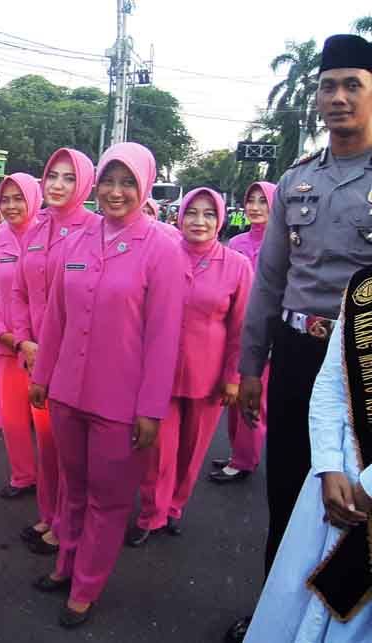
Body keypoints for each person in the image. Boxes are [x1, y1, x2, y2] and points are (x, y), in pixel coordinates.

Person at [227, 34, 372, 643]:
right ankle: (276, 617)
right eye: (327, 86)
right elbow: (269, 281)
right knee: (287, 497)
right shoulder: (296, 181)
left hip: (363, 363)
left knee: (355, 503)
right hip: (296, 354)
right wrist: (250, 367)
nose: (337, 98)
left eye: (352, 86)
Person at [29, 142, 186, 628]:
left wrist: (151, 409)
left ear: (144, 186)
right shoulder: (78, 238)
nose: (116, 192)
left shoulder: (161, 246)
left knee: (107, 497)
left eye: (128, 182)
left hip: (121, 403)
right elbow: (56, 314)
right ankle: (65, 564)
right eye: (109, 180)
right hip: (67, 393)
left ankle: (87, 586)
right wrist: (42, 376)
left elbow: (164, 337)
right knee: (72, 488)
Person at [245, 270, 372, 641]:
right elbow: (333, 379)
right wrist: (328, 464)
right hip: (335, 484)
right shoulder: (363, 289)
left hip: (362, 490)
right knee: (295, 608)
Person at [129, 188, 253, 546]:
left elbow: (241, 327)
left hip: (209, 375)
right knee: (156, 450)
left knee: (193, 448)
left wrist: (233, 377)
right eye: (192, 213)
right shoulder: (161, 255)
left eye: (209, 214)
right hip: (159, 374)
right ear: (179, 216)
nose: (200, 221)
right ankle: (151, 513)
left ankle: (174, 508)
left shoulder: (237, 266)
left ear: (221, 220)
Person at [10, 148, 99, 556]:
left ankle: (67, 523)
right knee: (47, 443)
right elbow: (19, 291)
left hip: (75, 358)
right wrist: (24, 338)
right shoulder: (36, 226)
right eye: (52, 176)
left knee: (70, 450)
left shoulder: (96, 229)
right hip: (34, 356)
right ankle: (49, 513)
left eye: (68, 177)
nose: (58, 185)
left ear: (84, 183)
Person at [211, 181, 277, 484]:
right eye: (251, 201)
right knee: (234, 395)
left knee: (253, 399)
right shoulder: (236, 243)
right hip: (235, 330)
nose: (255, 207)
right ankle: (238, 452)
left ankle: (245, 459)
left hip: (263, 333)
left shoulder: (281, 244)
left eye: (262, 202)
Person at [0, 173, 42, 501]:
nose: (10, 206)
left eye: (18, 198)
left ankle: (52, 483)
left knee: (46, 424)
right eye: (5, 199)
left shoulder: (51, 236)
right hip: (6, 346)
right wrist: (6, 336)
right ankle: (23, 476)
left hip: (44, 349)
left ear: (33, 198)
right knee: (13, 419)